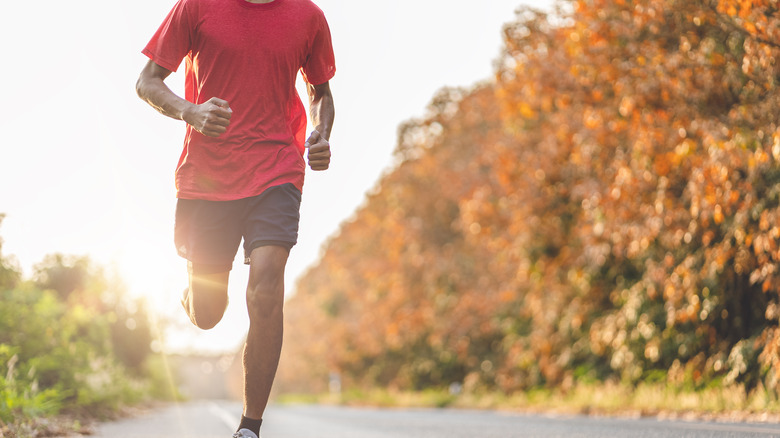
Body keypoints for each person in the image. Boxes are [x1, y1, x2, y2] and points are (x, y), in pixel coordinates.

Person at [135, 0, 335, 436]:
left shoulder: (309, 17)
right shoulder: (196, 6)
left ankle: (250, 426)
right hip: (207, 177)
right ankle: (195, 289)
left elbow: (320, 92)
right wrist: (191, 111)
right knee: (208, 313)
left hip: (277, 168)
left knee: (266, 284)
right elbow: (147, 82)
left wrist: (320, 133)